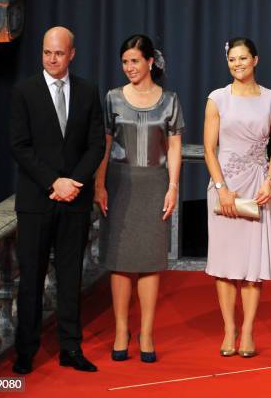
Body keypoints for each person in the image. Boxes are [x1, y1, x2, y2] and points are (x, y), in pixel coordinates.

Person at [10, 26, 105, 374]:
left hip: (74, 200)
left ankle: (70, 348)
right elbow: (19, 146)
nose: (52, 59)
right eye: (47, 52)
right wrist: (54, 182)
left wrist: (74, 182)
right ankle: (26, 351)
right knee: (31, 278)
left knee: (70, 277)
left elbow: (96, 144)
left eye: (59, 53)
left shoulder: (88, 91)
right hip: (37, 200)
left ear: (72, 54)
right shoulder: (25, 91)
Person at [94, 35, 184, 363]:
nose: (129, 67)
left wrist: (173, 186)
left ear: (150, 62)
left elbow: (174, 147)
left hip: (155, 183)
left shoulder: (170, 100)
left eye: (135, 60)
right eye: (125, 61)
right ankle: (121, 329)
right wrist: (99, 183)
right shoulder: (113, 98)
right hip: (119, 183)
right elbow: (103, 145)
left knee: (149, 261)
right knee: (119, 261)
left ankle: (146, 331)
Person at [204, 37, 271, 358]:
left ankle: (248, 330)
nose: (237, 64)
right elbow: (210, 148)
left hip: (258, 187)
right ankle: (229, 329)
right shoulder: (217, 99)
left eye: (243, 58)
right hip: (225, 187)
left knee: (252, 265)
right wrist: (221, 187)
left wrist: (269, 181)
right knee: (224, 266)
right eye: (232, 59)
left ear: (255, 60)